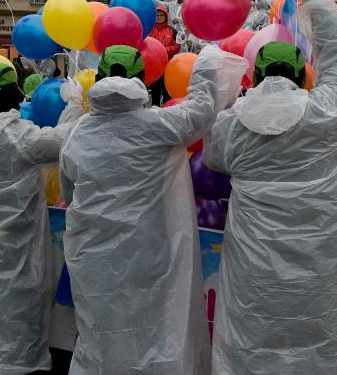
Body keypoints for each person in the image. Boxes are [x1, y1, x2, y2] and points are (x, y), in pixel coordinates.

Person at [206, 0, 337, 375]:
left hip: (253, 254)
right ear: (300, 75)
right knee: (319, 330)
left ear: (254, 75)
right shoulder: (325, 112)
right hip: (320, 251)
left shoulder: (231, 122)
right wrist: (317, 5)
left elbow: (215, 161)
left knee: (253, 332)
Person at [63, 44, 241, 375]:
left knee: (101, 335)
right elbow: (203, 109)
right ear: (143, 80)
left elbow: (68, 191)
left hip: (93, 260)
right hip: (150, 255)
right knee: (154, 335)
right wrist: (207, 61)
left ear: (99, 77)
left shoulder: (77, 134)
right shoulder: (161, 125)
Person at [0, 59, 84, 375]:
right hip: (15, 259)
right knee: (12, 341)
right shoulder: (22, 138)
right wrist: (75, 104)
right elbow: (66, 140)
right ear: (13, 94)